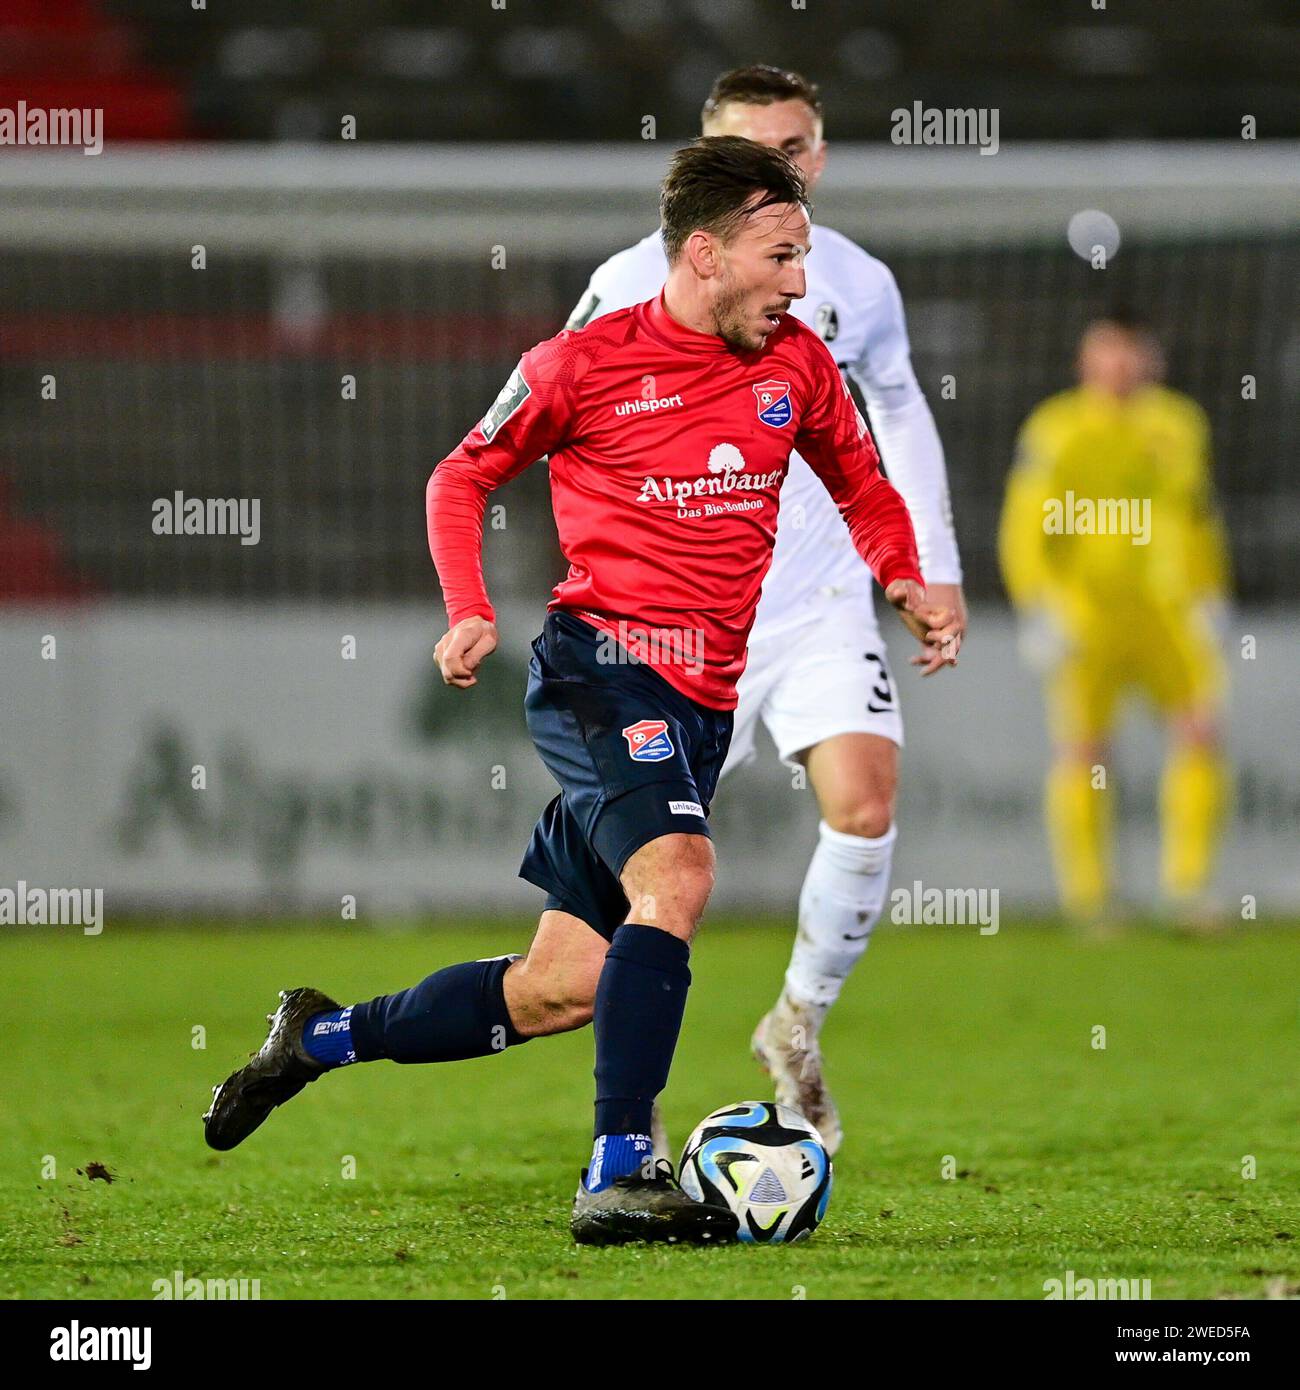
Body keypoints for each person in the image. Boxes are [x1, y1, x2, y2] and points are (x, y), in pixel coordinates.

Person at [204, 136, 956, 1246]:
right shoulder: (579, 364)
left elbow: (862, 483)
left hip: (699, 702)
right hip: (602, 667)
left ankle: (315, 1039)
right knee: (683, 877)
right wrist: (467, 604)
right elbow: (461, 473)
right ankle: (619, 1169)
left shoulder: (794, 363)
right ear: (704, 253)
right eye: (781, 256)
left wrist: (901, 572)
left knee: (562, 984)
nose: (801, 282)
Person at [567, 66, 965, 1152]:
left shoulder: (854, 284)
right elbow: (562, 422)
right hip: (678, 620)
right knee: (631, 882)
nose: (774, 168)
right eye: (749, 150)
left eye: (791, 150)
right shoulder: (622, 286)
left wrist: (932, 567)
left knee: (866, 799)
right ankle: (627, 1096)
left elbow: (896, 408)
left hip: (818, 595)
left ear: (817, 159)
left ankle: (796, 1021)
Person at [999, 311, 1232, 921]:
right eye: (1108, 353)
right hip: (1086, 617)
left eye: (1132, 353)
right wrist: (1038, 607)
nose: (1121, 366)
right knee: (1084, 752)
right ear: (1086, 361)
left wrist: (1212, 591)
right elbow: (1025, 529)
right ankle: (1092, 900)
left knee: (1199, 732)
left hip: (1169, 614)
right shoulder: (1057, 429)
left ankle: (1187, 891)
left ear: (1152, 359)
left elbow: (1198, 514)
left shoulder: (1180, 423)